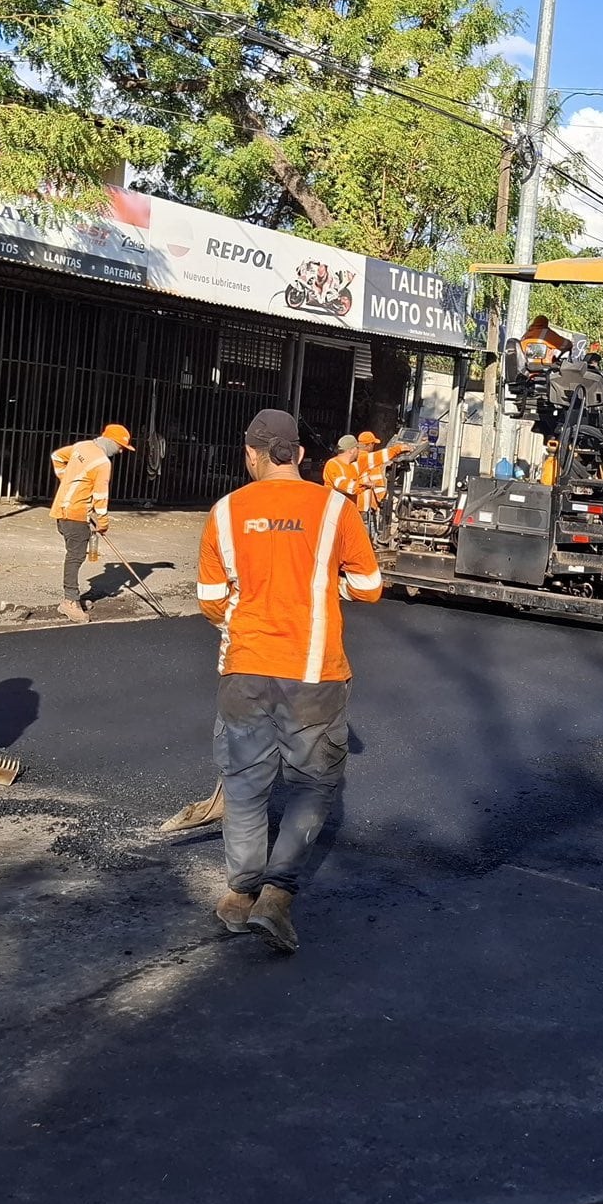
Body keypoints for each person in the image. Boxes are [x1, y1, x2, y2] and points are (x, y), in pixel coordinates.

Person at [198, 409, 382, 954]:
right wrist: (325, 590)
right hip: (315, 675)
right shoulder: (334, 509)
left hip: (245, 669)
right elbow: (370, 586)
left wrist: (247, 609)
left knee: (246, 783)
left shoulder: (226, 511)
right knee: (310, 784)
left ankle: (238, 895)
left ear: (251, 455)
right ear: (300, 455)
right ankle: (277, 897)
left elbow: (210, 602)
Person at [50, 424, 131, 622]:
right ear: (111, 442)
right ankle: (69, 602)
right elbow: (101, 495)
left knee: (74, 554)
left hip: (62, 509)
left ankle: (73, 598)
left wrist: (67, 480)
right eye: (120, 447)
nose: (120, 452)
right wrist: (102, 521)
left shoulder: (81, 446)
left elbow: (57, 457)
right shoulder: (103, 463)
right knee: (75, 556)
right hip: (76, 513)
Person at [353, 431, 413, 527]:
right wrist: (399, 448)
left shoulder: (354, 458)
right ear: (369, 445)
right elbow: (379, 488)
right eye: (373, 444)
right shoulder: (367, 460)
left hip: (355, 505)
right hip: (365, 507)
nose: (374, 447)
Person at [322, 434, 364, 502]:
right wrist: (363, 486)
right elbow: (341, 485)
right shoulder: (332, 464)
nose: (359, 451)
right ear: (352, 450)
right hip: (335, 509)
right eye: (357, 448)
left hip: (349, 509)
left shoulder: (353, 465)